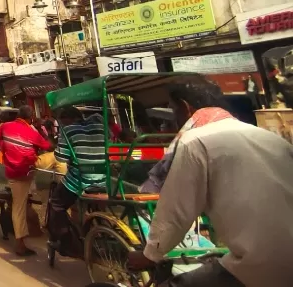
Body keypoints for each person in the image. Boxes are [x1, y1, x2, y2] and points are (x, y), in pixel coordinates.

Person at [126, 81, 293, 287]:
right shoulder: (271, 138)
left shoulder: (194, 141)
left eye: (173, 110)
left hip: (259, 266)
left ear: (185, 107)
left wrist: (150, 254)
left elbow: (176, 211)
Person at [0, 105, 53, 256]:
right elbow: (49, 146)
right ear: (30, 118)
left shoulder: (5, 126)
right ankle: (20, 244)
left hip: (12, 172)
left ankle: (21, 240)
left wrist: (0, 151)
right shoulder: (31, 131)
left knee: (20, 205)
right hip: (25, 172)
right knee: (19, 207)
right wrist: (44, 132)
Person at [47, 106, 106, 258]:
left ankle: (67, 243)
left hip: (81, 182)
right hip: (105, 181)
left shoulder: (67, 131)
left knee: (56, 203)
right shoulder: (100, 125)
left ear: (67, 119)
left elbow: (60, 157)